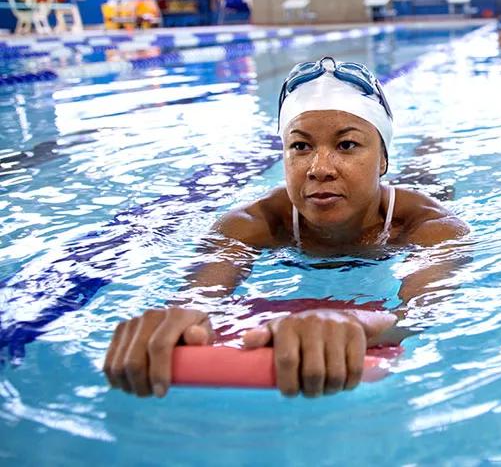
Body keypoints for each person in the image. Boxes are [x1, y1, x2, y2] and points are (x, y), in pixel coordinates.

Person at [103, 57, 469, 399]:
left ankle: (431, 145)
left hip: (406, 198)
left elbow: (424, 308)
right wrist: (181, 313)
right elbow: (201, 292)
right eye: (300, 146)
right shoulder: (252, 224)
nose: (319, 168)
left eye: (347, 144)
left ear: (383, 158)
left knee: (429, 177)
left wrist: (369, 324)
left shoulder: (432, 226)